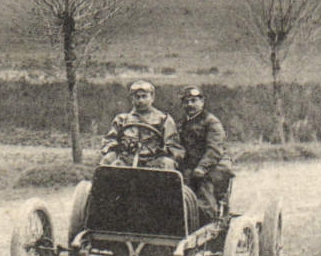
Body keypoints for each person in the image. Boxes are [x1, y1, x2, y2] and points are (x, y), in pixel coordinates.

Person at [178, 85, 233, 222]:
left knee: (202, 182)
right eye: (186, 101)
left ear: (202, 102)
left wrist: (202, 168)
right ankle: (183, 218)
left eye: (194, 101)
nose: (190, 104)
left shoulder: (211, 122)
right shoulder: (183, 123)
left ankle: (206, 217)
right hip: (192, 165)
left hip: (215, 165)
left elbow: (214, 149)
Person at [99, 80, 182, 169]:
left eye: (144, 96)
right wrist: (115, 149)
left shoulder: (164, 119)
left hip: (154, 161)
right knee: (107, 161)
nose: (141, 101)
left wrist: (162, 152)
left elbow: (173, 144)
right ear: (132, 99)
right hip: (126, 160)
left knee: (167, 163)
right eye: (137, 97)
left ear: (152, 97)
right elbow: (110, 140)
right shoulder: (122, 119)